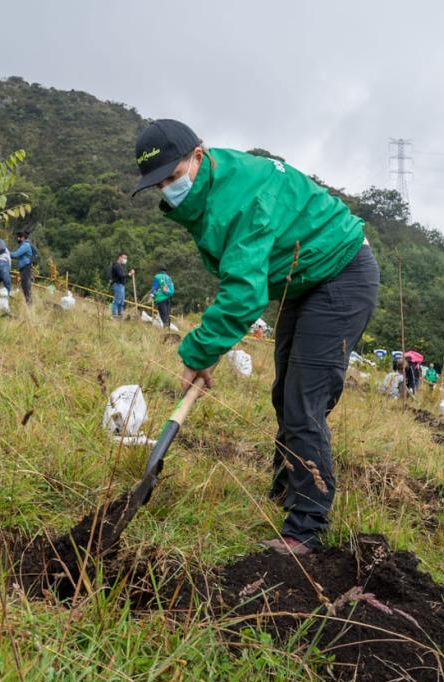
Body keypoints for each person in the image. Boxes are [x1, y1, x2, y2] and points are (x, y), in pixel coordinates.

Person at [132, 119, 379, 556]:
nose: (169, 188)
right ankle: (285, 491)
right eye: (160, 184)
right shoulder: (208, 191)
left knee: (305, 401)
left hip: (341, 274)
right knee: (285, 394)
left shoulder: (241, 198)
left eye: (174, 176)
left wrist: (199, 352)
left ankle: (305, 528)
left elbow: (244, 296)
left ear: (199, 155)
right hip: (302, 281)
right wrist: (208, 351)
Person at [10, 231, 34, 304]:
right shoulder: (24, 245)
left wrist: (6, 252)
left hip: (26, 268)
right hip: (24, 268)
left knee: (26, 286)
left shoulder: (25, 245)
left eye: (18, 237)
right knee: (24, 286)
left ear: (22, 238)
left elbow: (16, 255)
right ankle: (28, 303)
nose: (17, 239)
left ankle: (29, 304)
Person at [108, 253, 133, 318]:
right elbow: (121, 275)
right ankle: (114, 316)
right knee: (117, 301)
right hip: (118, 285)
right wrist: (129, 274)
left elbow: (123, 275)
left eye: (126, 258)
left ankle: (120, 316)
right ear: (120, 257)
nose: (125, 260)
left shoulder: (121, 266)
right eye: (124, 258)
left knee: (121, 302)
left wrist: (128, 274)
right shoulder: (116, 265)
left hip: (121, 285)